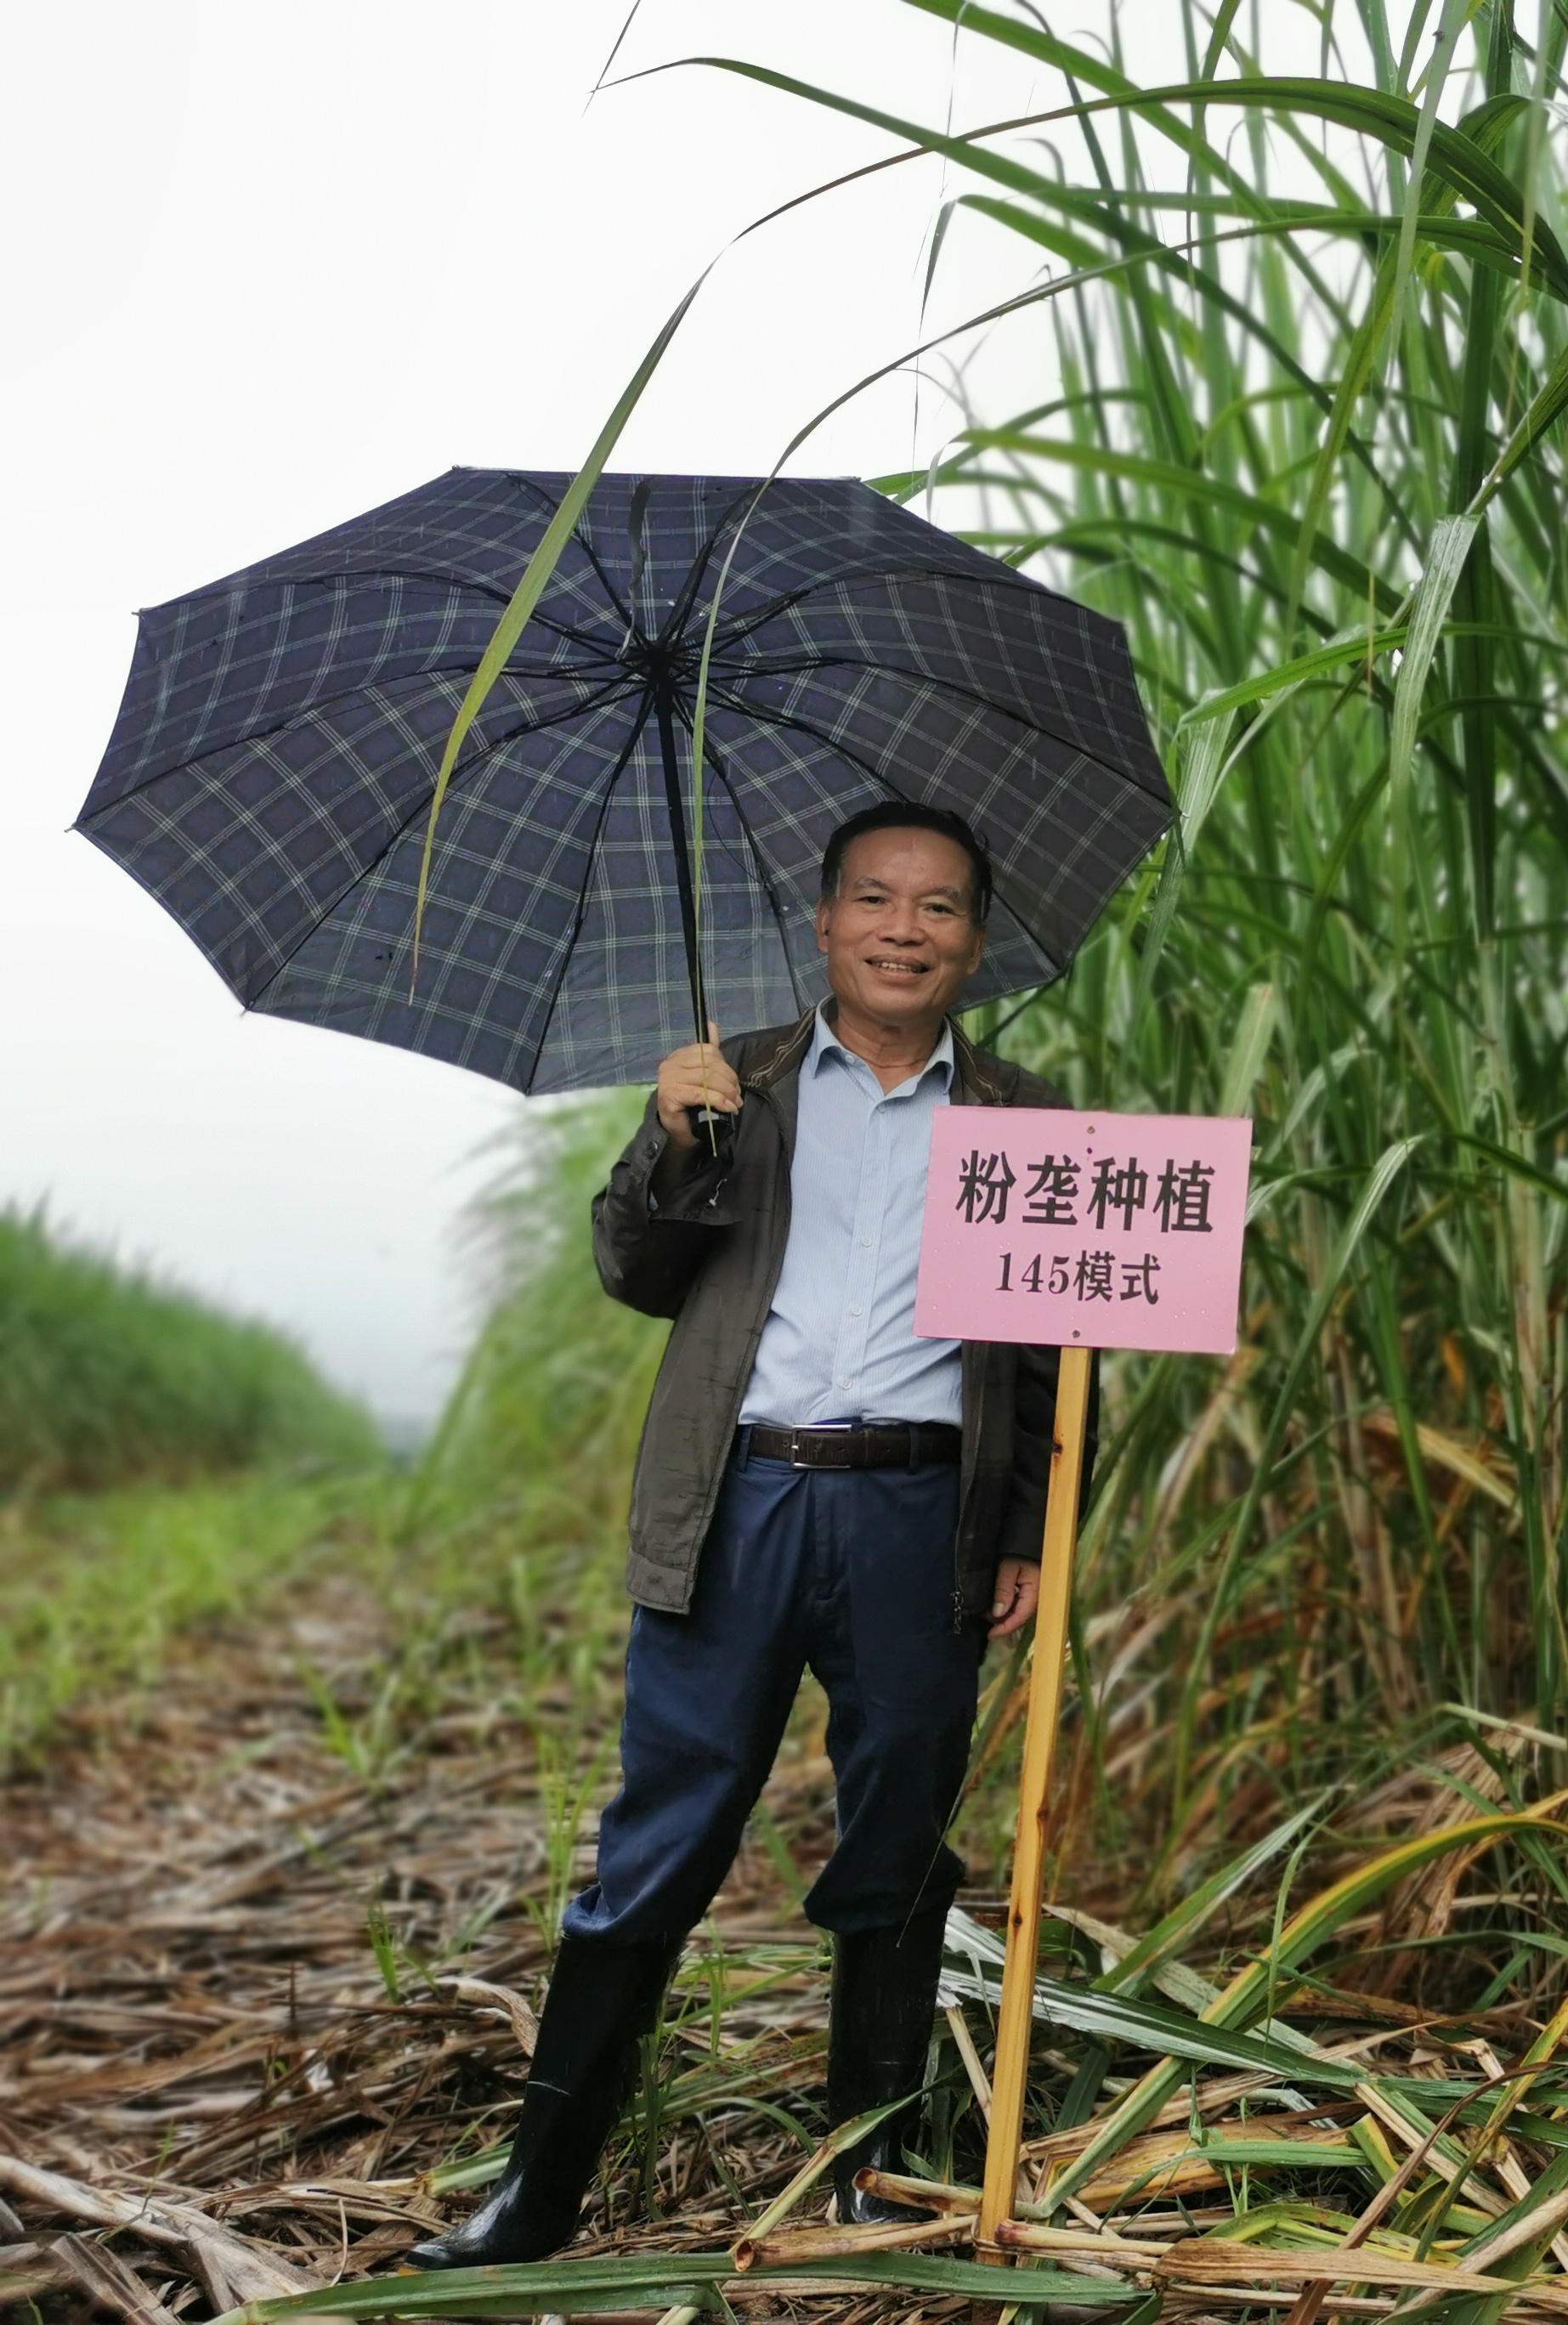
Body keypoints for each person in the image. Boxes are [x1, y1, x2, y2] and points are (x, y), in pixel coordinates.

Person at [406, 800, 1073, 2268]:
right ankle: (540, 2188)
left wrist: (1023, 1527)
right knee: (668, 1823)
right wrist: (666, 1134)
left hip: (921, 1513)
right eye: (876, 900)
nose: (906, 929)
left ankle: (870, 2172)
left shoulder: (1024, 1124)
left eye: (941, 906)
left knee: (900, 1835)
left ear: (977, 939)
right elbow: (632, 1270)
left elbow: (1045, 1353)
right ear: (823, 921)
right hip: (740, 1501)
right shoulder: (738, 1081)